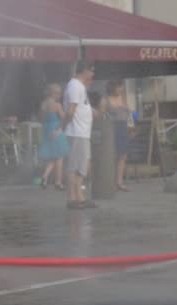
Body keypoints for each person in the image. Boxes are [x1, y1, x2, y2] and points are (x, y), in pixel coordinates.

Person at [63, 61, 96, 210]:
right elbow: (70, 111)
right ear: (84, 71)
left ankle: (79, 196)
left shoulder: (79, 86)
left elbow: (81, 107)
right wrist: (61, 128)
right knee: (74, 166)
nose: (93, 74)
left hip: (82, 132)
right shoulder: (75, 86)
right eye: (91, 70)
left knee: (81, 167)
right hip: (76, 132)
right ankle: (73, 198)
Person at [38, 83, 69, 190]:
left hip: (46, 130)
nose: (60, 95)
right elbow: (64, 118)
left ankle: (45, 176)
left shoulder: (43, 104)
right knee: (59, 157)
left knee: (53, 157)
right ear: (54, 93)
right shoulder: (57, 105)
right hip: (56, 130)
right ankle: (58, 182)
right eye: (59, 93)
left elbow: (41, 119)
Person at [106, 79, 133, 192]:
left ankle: (119, 181)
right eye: (118, 87)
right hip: (112, 128)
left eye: (121, 87)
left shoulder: (123, 98)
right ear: (112, 87)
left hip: (123, 127)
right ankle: (109, 181)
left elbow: (129, 114)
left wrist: (131, 127)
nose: (120, 89)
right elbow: (103, 115)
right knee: (112, 155)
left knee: (123, 155)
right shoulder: (106, 100)